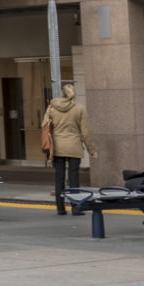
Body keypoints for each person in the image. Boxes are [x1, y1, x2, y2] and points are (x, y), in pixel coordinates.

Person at [41, 83, 95, 214]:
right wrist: (91, 149)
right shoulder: (80, 108)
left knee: (59, 177)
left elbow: (44, 125)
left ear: (62, 93)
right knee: (74, 178)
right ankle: (76, 207)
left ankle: (60, 208)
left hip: (57, 147)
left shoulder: (52, 108)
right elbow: (85, 131)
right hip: (74, 146)